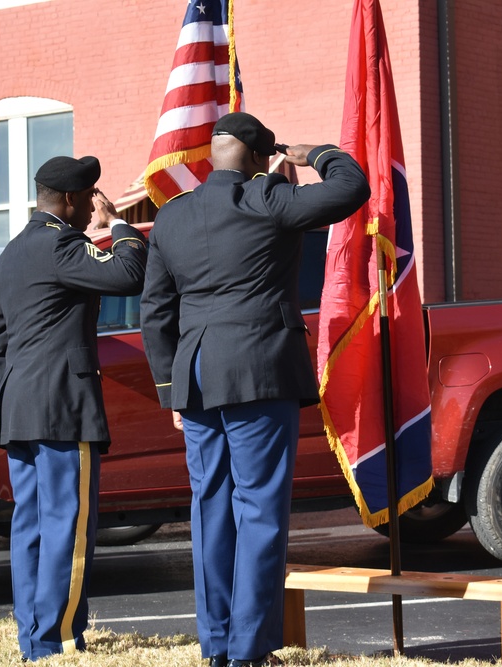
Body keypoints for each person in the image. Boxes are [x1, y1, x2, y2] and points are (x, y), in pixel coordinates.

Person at [139, 112, 370, 667]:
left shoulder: (171, 217)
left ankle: (216, 645)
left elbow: (155, 313)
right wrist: (315, 154)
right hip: (258, 372)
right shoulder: (269, 199)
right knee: (260, 511)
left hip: (195, 378)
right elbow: (352, 187)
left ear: (214, 154)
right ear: (263, 157)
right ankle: (248, 649)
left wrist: (171, 390)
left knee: (209, 511)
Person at [0, 155, 147, 662]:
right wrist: (117, 224)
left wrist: (12, 392)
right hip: (63, 409)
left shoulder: (11, 251)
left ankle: (34, 636)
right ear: (71, 201)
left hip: (21, 410)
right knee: (67, 526)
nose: (88, 208)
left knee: (29, 526)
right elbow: (129, 273)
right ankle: (60, 638)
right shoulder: (61, 244)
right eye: (87, 199)